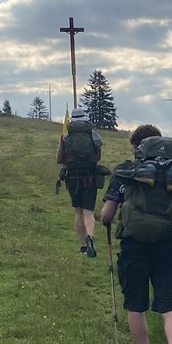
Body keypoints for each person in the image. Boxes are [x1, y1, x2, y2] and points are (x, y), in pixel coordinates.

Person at [100, 124, 172, 344]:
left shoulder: (126, 171)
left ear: (136, 147)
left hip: (134, 245)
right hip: (169, 245)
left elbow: (106, 214)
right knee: (170, 304)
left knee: (135, 304)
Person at [57, 106, 103, 257]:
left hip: (73, 177)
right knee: (88, 212)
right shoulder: (94, 136)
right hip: (90, 176)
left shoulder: (65, 137)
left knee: (78, 211)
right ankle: (90, 236)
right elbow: (98, 157)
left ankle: (83, 246)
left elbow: (60, 159)